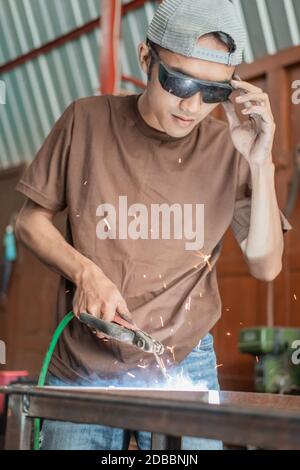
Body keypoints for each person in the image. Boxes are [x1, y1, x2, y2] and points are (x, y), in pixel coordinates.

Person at [15, 0, 292, 450]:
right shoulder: (84, 121)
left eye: (214, 92)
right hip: (84, 363)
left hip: (184, 364)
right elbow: (29, 223)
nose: (193, 105)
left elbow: (265, 265)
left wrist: (259, 163)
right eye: (178, 81)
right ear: (146, 58)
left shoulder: (230, 147)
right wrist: (86, 272)